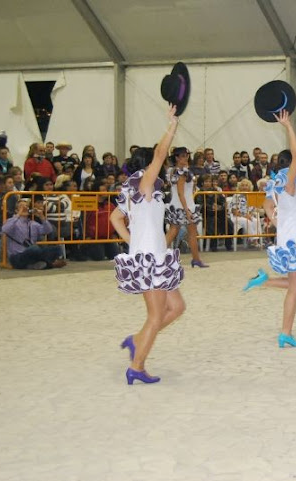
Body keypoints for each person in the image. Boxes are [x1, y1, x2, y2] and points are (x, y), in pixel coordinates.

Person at [110, 105, 186, 385]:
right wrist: (172, 126)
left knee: (176, 307)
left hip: (153, 255)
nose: (161, 166)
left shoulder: (137, 188)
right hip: (150, 258)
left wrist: (133, 242)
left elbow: (115, 217)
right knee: (156, 316)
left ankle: (137, 340)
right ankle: (137, 366)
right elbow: (160, 154)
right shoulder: (143, 183)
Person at [243, 110, 296, 348]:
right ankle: (285, 332)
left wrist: (278, 222)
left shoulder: (277, 183)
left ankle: (265, 282)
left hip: (288, 237)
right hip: (295, 240)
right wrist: (288, 126)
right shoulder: (289, 182)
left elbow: (267, 205)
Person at [166, 147, 207, 268]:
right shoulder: (182, 172)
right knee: (175, 232)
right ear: (176, 158)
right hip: (184, 206)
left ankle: (196, 259)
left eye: (187, 155)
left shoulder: (173, 171)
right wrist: (186, 210)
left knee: (188, 232)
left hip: (181, 205)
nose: (186, 158)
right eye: (183, 156)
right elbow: (180, 193)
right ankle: (158, 258)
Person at [1, 198, 66, 269]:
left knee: (57, 249)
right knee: (34, 249)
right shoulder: (11, 221)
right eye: (21, 206)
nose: (25, 208)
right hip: (18, 256)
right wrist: (19, 214)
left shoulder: (32, 223)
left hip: (33, 253)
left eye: (26, 206)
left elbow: (48, 230)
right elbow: (5, 229)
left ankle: (36, 265)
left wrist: (41, 216)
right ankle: (49, 263)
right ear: (16, 210)